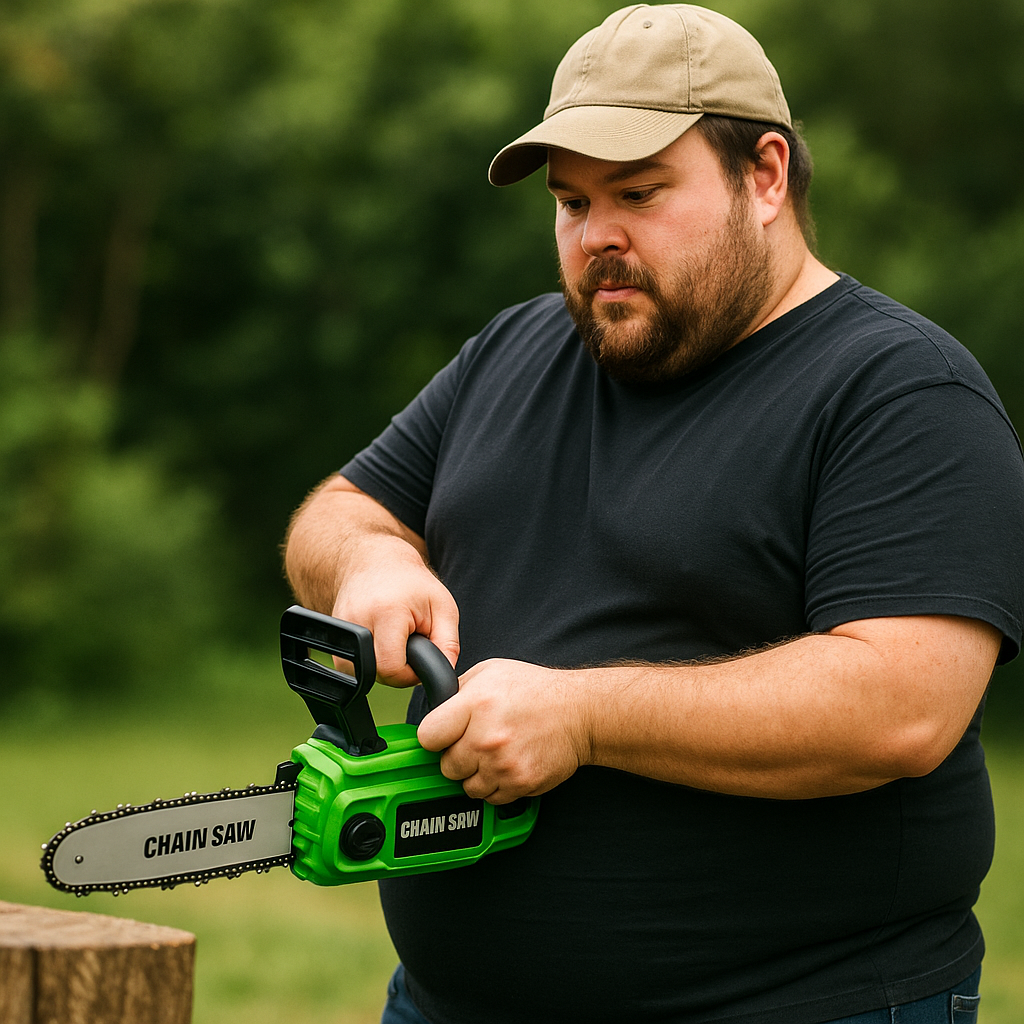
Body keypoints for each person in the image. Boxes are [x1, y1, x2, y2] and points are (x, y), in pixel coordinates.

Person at [283, 5, 1024, 1023]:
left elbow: (904, 703)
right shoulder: (519, 348)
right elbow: (338, 507)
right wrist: (370, 562)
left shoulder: (897, 389)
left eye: (637, 192)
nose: (597, 238)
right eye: (572, 202)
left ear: (764, 175)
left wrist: (582, 716)